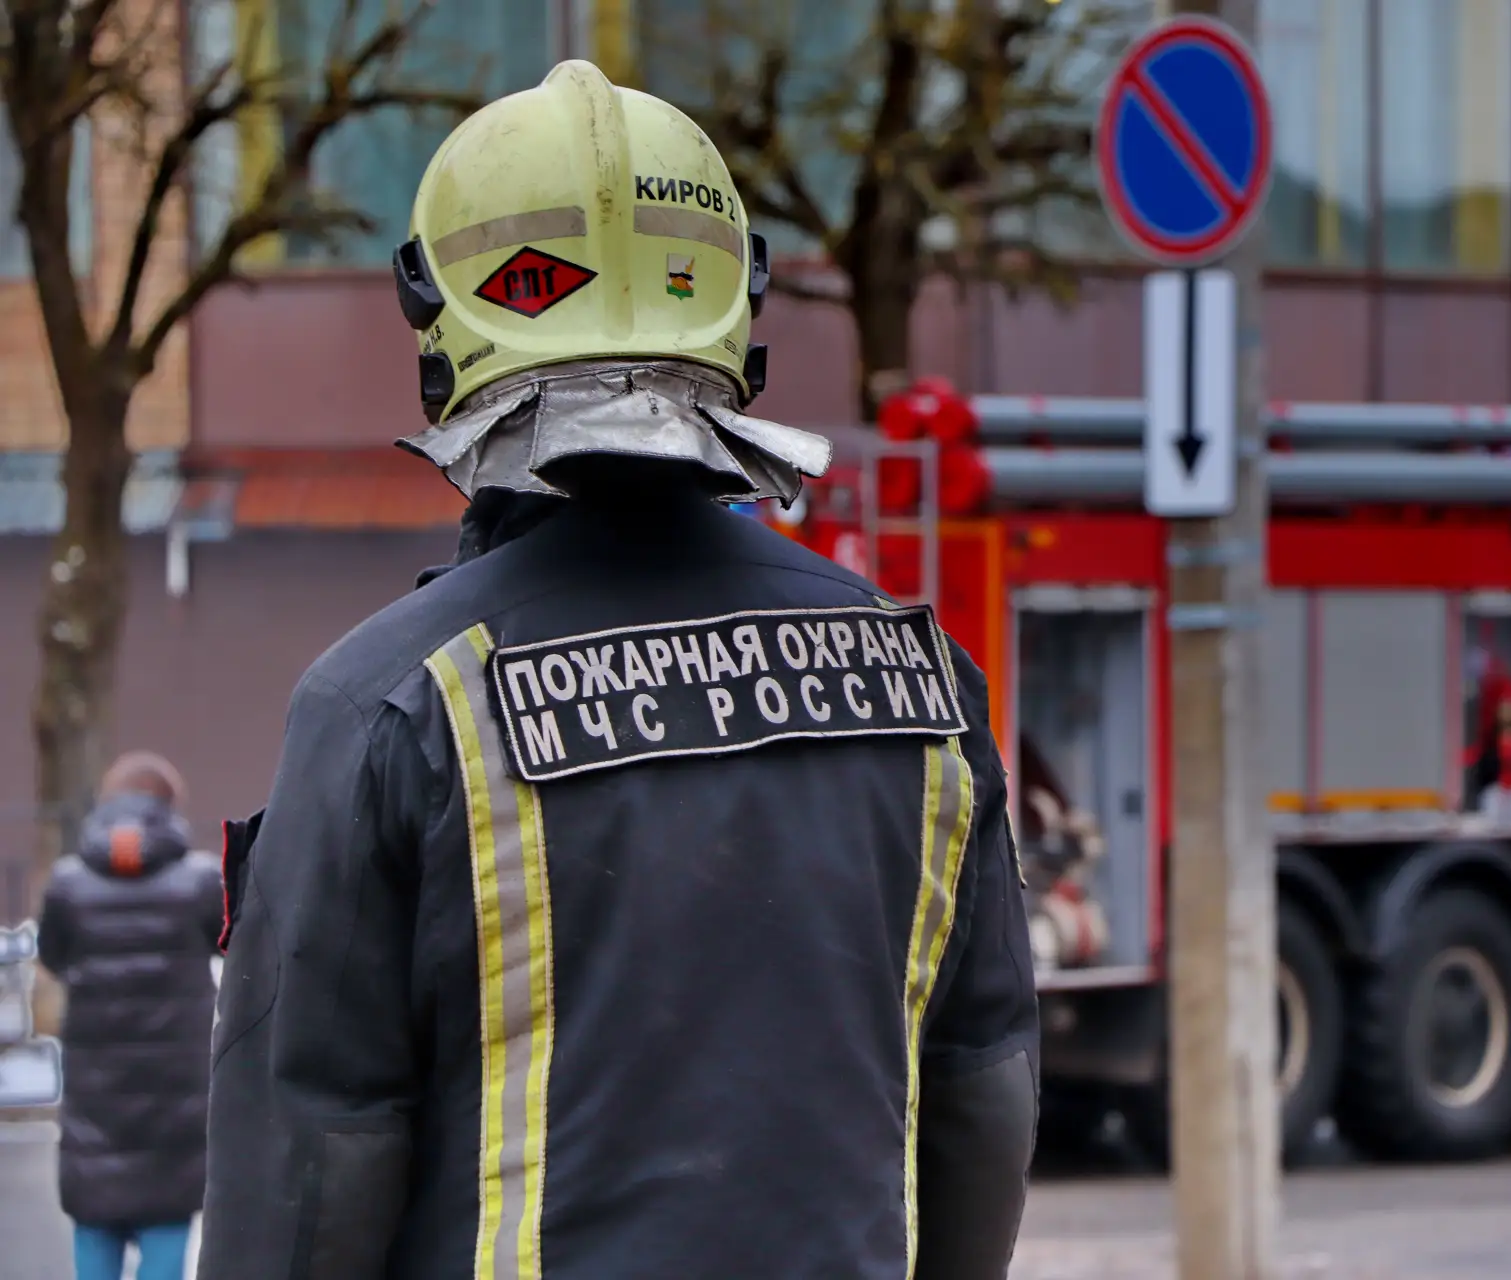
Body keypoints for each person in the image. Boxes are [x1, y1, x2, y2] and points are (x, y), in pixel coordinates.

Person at [199, 60, 1037, 1280]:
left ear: (443, 327)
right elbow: (982, 1092)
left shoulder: (392, 703)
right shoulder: (924, 681)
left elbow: (312, 1172)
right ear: (737, 311)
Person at [36, 751, 223, 1280]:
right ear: (170, 806)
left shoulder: (69, 884)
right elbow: (230, 944)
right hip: (175, 1096)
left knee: (95, 1218)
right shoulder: (200, 883)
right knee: (167, 1222)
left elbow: (53, 957)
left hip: (95, 1091)